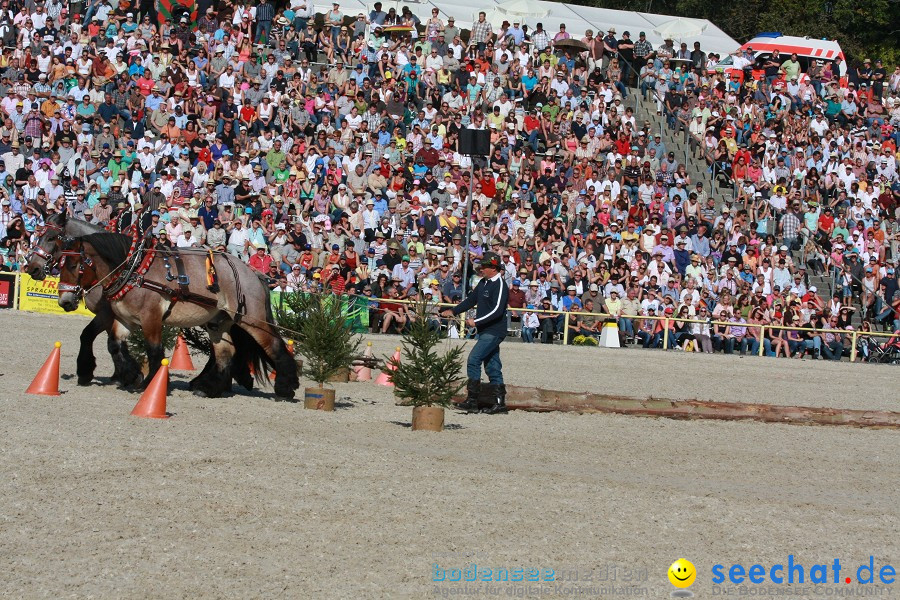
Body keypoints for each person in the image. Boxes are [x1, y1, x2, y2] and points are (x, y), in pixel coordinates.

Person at [441, 252, 509, 414]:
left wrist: (476, 322)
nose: (481, 269)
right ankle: (500, 403)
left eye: (484, 266)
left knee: (474, 359)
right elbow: (471, 301)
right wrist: (454, 311)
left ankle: (472, 400)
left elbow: (497, 311)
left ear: (493, 268)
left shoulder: (500, 285)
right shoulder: (484, 282)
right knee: (492, 365)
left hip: (494, 331)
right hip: (485, 330)